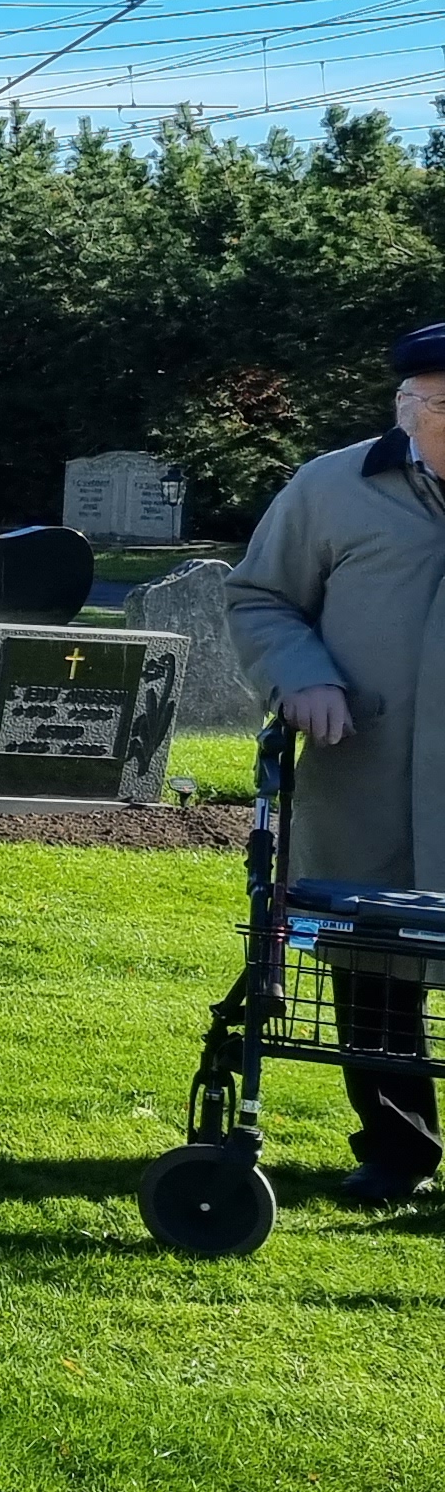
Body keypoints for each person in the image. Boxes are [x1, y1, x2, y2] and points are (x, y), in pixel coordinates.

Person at [223, 323, 445, 1201]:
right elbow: (262, 597)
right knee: (374, 967)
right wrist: (302, 677)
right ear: (405, 407)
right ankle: (397, 1152)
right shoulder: (332, 487)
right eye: (441, 405)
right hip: (366, 773)